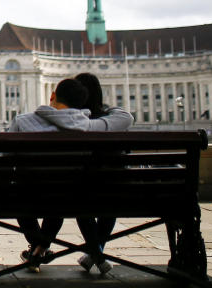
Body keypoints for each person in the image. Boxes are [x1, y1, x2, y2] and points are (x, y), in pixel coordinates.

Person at [10, 78, 89, 271]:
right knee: (61, 194)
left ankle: (37, 247)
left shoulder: (22, 121)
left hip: (26, 196)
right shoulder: (88, 127)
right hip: (67, 198)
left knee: (19, 195)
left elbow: (4, 162)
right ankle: (40, 249)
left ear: (52, 95)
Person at [73, 72, 134, 276]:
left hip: (80, 192)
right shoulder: (116, 120)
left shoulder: (72, 123)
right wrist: (104, 107)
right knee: (109, 201)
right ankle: (96, 253)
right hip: (117, 191)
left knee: (82, 203)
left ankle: (96, 254)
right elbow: (126, 118)